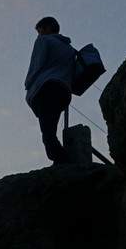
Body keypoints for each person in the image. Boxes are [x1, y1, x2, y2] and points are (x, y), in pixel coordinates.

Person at [24, 16, 75, 165]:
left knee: (48, 134)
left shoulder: (44, 41)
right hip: (63, 90)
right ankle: (61, 160)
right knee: (50, 130)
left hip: (45, 88)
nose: (39, 34)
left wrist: (28, 83)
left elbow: (36, 64)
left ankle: (63, 162)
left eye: (40, 30)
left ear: (47, 28)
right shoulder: (69, 48)